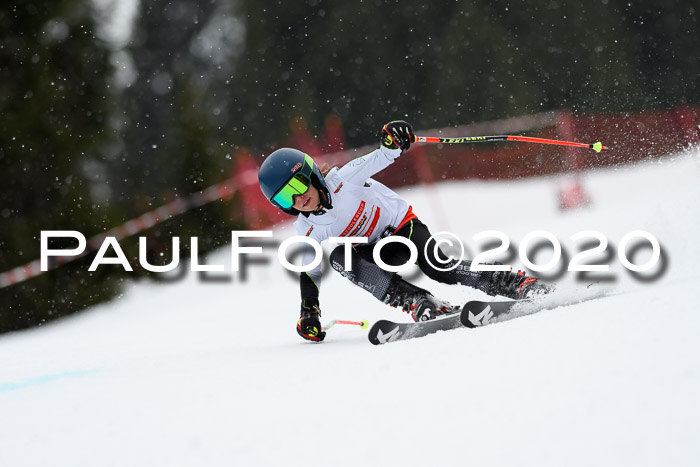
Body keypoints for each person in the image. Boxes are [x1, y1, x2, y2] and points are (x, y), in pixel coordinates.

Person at [258, 121, 552, 342]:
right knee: (338, 257)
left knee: (440, 268)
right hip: (373, 252)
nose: (298, 200)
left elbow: (383, 155)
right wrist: (309, 310)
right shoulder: (307, 228)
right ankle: (418, 301)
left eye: (297, 186)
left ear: (311, 175)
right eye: (285, 199)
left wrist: (394, 138)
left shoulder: (344, 178)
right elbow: (309, 271)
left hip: (401, 228)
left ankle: (513, 283)